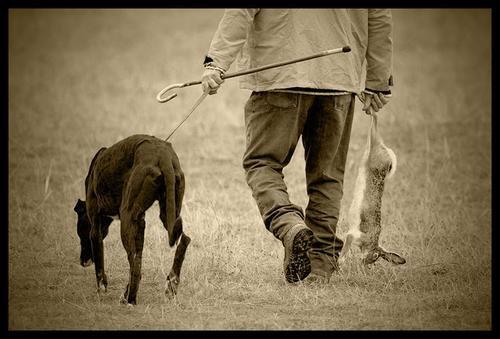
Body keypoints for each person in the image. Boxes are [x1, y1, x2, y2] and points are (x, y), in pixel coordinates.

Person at [201, 9, 393, 283]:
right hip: (339, 78)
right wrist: (378, 81)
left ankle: (289, 225)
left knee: (262, 163)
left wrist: (216, 63)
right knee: (327, 177)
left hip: (279, 77)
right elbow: (378, 15)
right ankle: (321, 263)